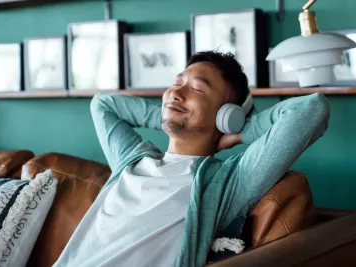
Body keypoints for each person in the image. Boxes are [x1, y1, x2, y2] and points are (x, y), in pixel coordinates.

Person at [53, 51, 330, 267]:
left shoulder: (226, 183)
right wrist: (167, 114)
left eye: (196, 89)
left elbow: (311, 109)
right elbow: (102, 104)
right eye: (176, 84)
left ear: (227, 114)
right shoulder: (132, 160)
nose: (175, 93)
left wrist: (240, 129)